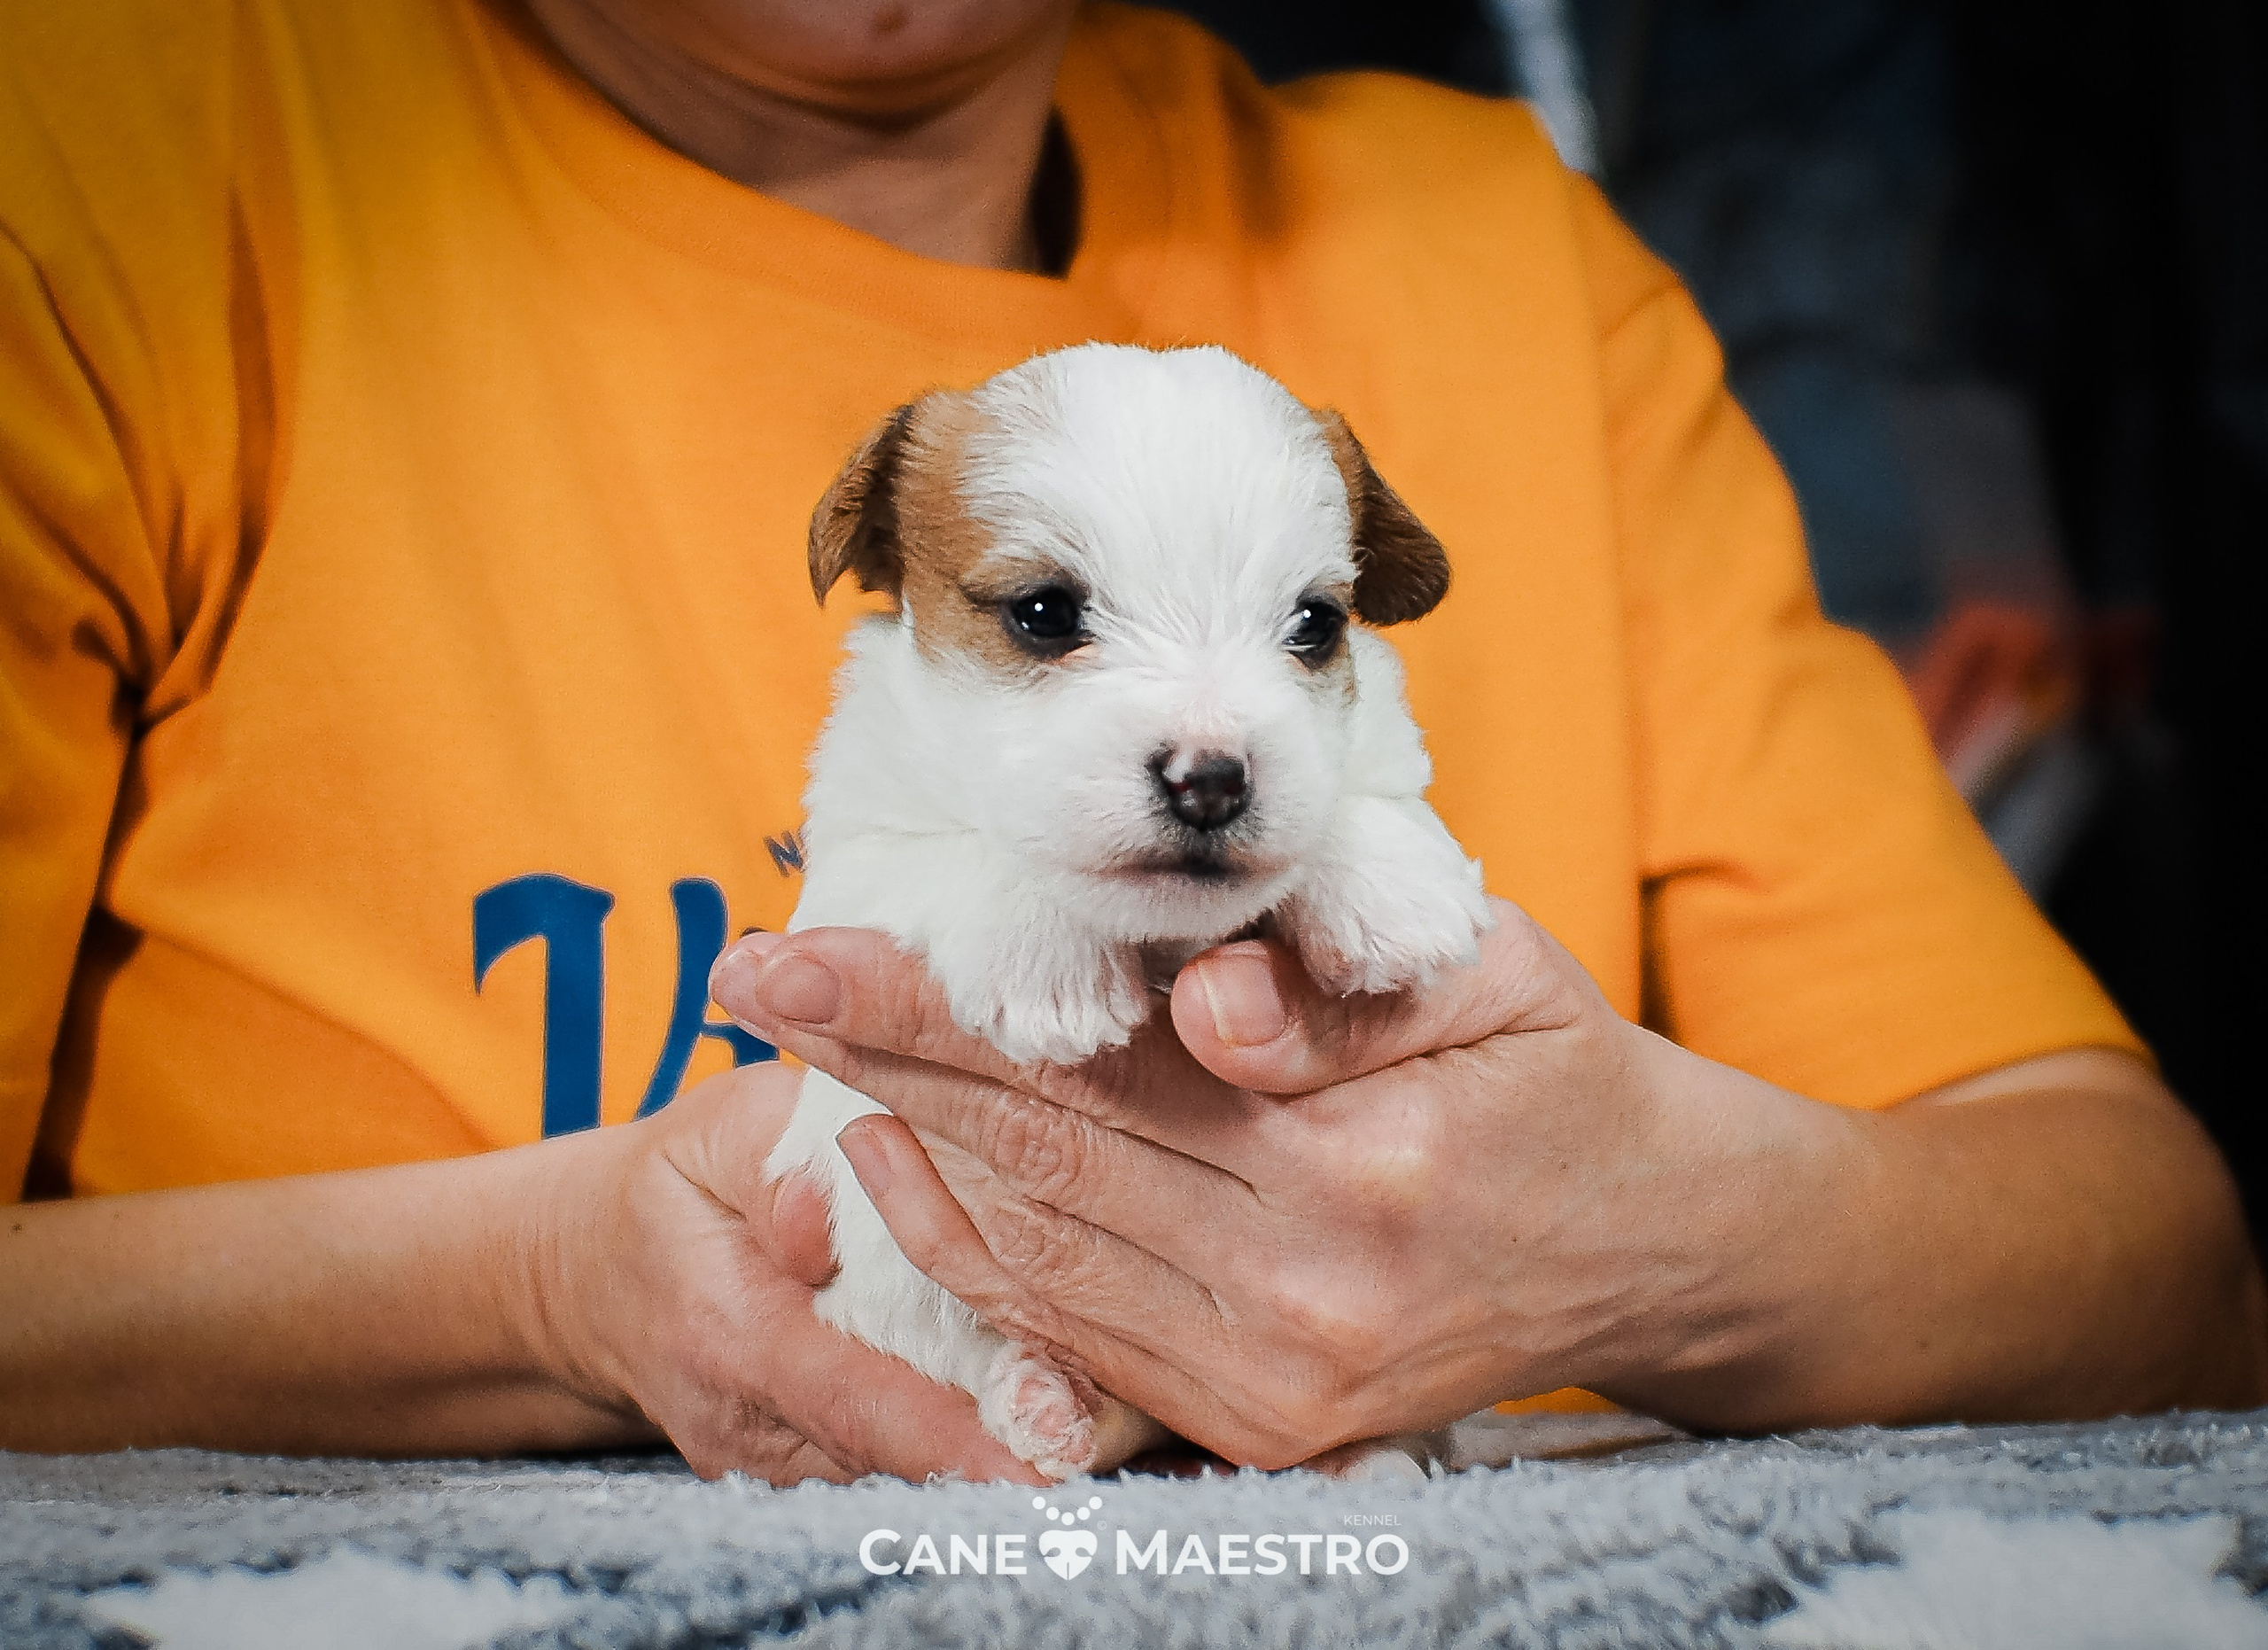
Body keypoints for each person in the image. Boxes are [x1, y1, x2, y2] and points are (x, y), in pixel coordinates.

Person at [0, 0, 2258, 1483]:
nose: (1194, 740)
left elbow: (2162, 1267)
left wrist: (1649, 1237)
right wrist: (552, 1278)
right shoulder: (100, 152)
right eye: (1043, 620)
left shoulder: (1502, 256)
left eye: (1299, 637)